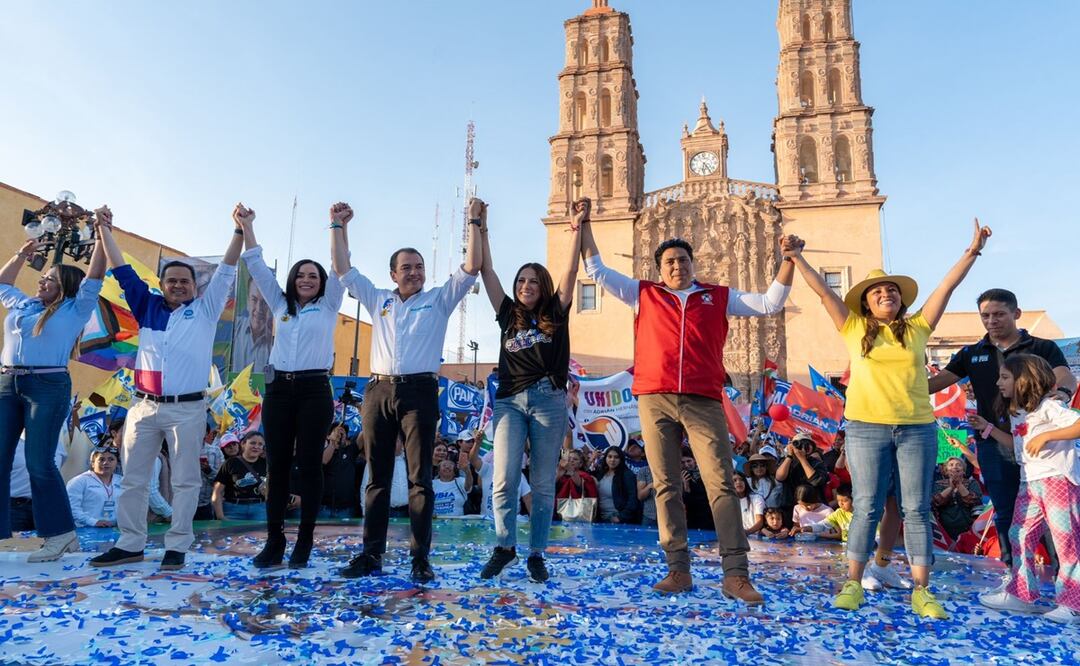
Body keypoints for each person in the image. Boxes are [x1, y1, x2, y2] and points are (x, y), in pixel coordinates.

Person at [581, 216, 796, 602]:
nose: (677, 266)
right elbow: (596, 270)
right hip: (654, 397)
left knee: (720, 484)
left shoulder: (717, 296)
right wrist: (584, 226)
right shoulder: (643, 294)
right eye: (670, 262)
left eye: (683, 260)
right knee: (666, 486)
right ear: (659, 270)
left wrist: (788, 260)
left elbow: (769, 303)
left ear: (693, 264)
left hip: (703, 398)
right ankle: (678, 570)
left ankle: (735, 574)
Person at [788, 218, 991, 619]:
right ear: (866, 302)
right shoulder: (853, 327)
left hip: (917, 428)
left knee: (915, 509)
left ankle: (922, 590)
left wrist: (972, 252)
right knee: (865, 506)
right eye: (878, 291)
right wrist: (796, 257)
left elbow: (945, 287)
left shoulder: (917, 328)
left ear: (902, 300)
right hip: (866, 429)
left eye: (893, 291)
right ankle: (853, 583)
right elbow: (822, 291)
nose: (886, 295)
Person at [331, 198, 480, 582]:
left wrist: (476, 222)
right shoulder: (378, 298)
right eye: (406, 268)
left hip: (419, 393)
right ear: (393, 273)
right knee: (377, 477)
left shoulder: (438, 300)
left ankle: (419, 558)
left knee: (420, 479)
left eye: (419, 267)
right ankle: (371, 555)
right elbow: (343, 269)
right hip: (378, 391)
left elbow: (472, 267)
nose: (413, 273)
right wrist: (338, 226)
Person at [90, 207, 242, 571]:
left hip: (187, 409)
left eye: (184, 281)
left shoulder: (205, 311)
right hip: (142, 407)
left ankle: (177, 546)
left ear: (194, 287)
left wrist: (238, 231)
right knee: (134, 480)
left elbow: (226, 271)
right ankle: (130, 544)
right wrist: (105, 230)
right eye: (170, 280)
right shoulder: (146, 307)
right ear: (161, 284)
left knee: (187, 481)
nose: (177, 285)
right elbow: (121, 270)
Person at [475, 197, 583, 581]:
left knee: (540, 484)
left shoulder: (556, 312)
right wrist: (480, 226)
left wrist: (577, 227)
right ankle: (504, 546)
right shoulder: (507, 313)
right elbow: (486, 270)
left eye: (533, 281)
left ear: (543, 287)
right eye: (521, 280)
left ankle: (536, 553)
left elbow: (571, 270)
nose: (525, 286)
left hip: (548, 400)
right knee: (503, 479)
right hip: (509, 403)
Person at [929, 288, 1076, 569]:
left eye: (999, 314)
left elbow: (1063, 374)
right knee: (1008, 513)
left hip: (1040, 449)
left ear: (1016, 314)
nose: (991, 321)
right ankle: (1016, 576)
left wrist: (1062, 394)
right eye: (985, 316)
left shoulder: (1042, 347)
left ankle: (1065, 580)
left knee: (1056, 519)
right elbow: (933, 384)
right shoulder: (972, 353)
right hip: (995, 444)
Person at [234, 204, 342, 569]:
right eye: (301, 275)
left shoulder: (329, 305)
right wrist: (247, 225)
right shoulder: (281, 305)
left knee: (309, 465)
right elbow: (256, 265)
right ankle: (274, 540)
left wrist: (337, 225)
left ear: (322, 281)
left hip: (315, 391)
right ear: (293, 280)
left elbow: (340, 263)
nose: (307, 280)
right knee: (277, 466)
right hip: (279, 391)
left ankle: (305, 541)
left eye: (314, 275)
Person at [0, 212, 106, 562]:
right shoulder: (25, 304)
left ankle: (60, 535)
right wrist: (21, 254)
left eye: (49, 279)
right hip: (7, 381)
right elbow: (2, 284)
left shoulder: (76, 308)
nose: (41, 282)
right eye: (42, 277)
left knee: (39, 462)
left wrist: (103, 233)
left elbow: (95, 274)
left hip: (46, 384)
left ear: (65, 286)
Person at [978, 354, 1080, 623]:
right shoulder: (1020, 412)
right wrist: (987, 428)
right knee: (1019, 534)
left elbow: (1077, 424)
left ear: (1023, 379)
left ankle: (1073, 603)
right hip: (1030, 483)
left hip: (1057, 480)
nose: (999, 382)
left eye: (1004, 377)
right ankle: (1022, 593)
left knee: (1065, 541)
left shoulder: (1050, 407)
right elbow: (1018, 444)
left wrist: (1048, 435)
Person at [212, 432, 268, 521]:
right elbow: (217, 492)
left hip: (260, 509)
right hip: (233, 510)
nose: (256, 446)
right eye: (253, 443)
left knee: (260, 534)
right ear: (243, 444)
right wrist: (220, 516)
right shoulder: (230, 463)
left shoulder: (267, 464)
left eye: (260, 444)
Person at [775, 433, 829, 524]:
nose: (803, 448)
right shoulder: (786, 461)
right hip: (790, 508)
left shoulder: (817, 463)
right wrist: (789, 456)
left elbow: (816, 481)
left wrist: (802, 459)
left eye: (807, 445)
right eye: (798, 444)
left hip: (813, 509)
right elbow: (779, 477)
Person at [66, 446, 123, 528]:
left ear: (117, 463)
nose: (106, 463)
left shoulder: (122, 481)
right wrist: (94, 522)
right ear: (92, 463)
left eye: (111, 459)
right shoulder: (79, 481)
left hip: (115, 529)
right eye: (101, 459)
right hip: (86, 531)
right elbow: (71, 508)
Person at [931, 457, 982, 540]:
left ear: (964, 470)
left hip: (967, 527)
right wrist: (951, 488)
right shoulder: (938, 484)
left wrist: (959, 485)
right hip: (944, 529)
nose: (955, 467)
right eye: (951, 465)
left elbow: (973, 501)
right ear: (946, 471)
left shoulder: (972, 483)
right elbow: (937, 501)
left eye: (958, 465)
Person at [593, 445, 642, 525]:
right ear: (605, 458)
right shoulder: (600, 473)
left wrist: (621, 517)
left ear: (621, 459)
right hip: (600, 519)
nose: (612, 460)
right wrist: (592, 459)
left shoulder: (627, 475)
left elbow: (633, 498)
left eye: (616, 457)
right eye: (610, 456)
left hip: (617, 519)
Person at [321, 422, 361, 520]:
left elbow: (364, 434)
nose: (340, 435)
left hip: (346, 510)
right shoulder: (323, 450)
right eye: (337, 432)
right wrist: (333, 443)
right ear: (328, 435)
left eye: (343, 433)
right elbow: (323, 461)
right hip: (323, 508)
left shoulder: (350, 451)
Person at [733, 472, 764, 536]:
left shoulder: (757, 498)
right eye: (735, 480)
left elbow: (760, 522)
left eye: (741, 479)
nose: (738, 482)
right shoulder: (729, 502)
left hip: (757, 538)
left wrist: (746, 532)